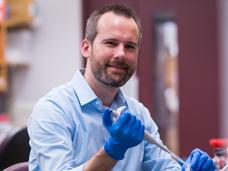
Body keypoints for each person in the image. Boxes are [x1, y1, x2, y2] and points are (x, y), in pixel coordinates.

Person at [28, 4, 215, 171]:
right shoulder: (53, 110)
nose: (121, 54)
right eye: (111, 43)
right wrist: (113, 150)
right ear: (86, 48)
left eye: (130, 46)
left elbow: (164, 167)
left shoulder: (139, 114)